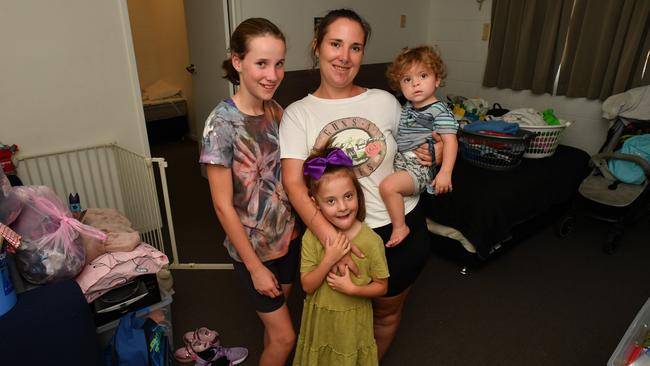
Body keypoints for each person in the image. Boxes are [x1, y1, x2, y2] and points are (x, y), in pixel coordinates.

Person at [279, 9, 442, 359]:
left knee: (386, 314)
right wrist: (331, 239)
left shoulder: (384, 101)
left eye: (355, 47)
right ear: (317, 46)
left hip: (398, 230)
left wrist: (434, 151)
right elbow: (294, 185)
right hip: (336, 235)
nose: (344, 56)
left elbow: (418, 145)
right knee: (337, 324)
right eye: (335, 43)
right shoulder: (297, 114)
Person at [198, 18, 297, 366]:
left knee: (275, 332)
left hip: (287, 240)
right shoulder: (221, 124)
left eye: (279, 63)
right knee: (286, 337)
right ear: (237, 62)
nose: (273, 74)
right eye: (262, 63)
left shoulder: (276, 111)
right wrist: (255, 267)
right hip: (253, 252)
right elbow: (222, 206)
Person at [293, 147, 389, 366]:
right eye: (331, 201)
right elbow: (307, 285)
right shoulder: (312, 237)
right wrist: (330, 258)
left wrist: (353, 289)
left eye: (348, 196)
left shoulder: (371, 241)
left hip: (353, 327)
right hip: (321, 324)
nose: (343, 207)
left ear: (358, 194)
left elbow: (382, 286)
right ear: (316, 204)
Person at [380, 46, 459, 246]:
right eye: (407, 79)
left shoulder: (439, 111)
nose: (415, 83)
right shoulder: (406, 108)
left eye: (423, 75)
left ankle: (400, 227)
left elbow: (450, 141)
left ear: (437, 79)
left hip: (419, 167)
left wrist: (445, 172)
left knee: (388, 187)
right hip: (402, 161)